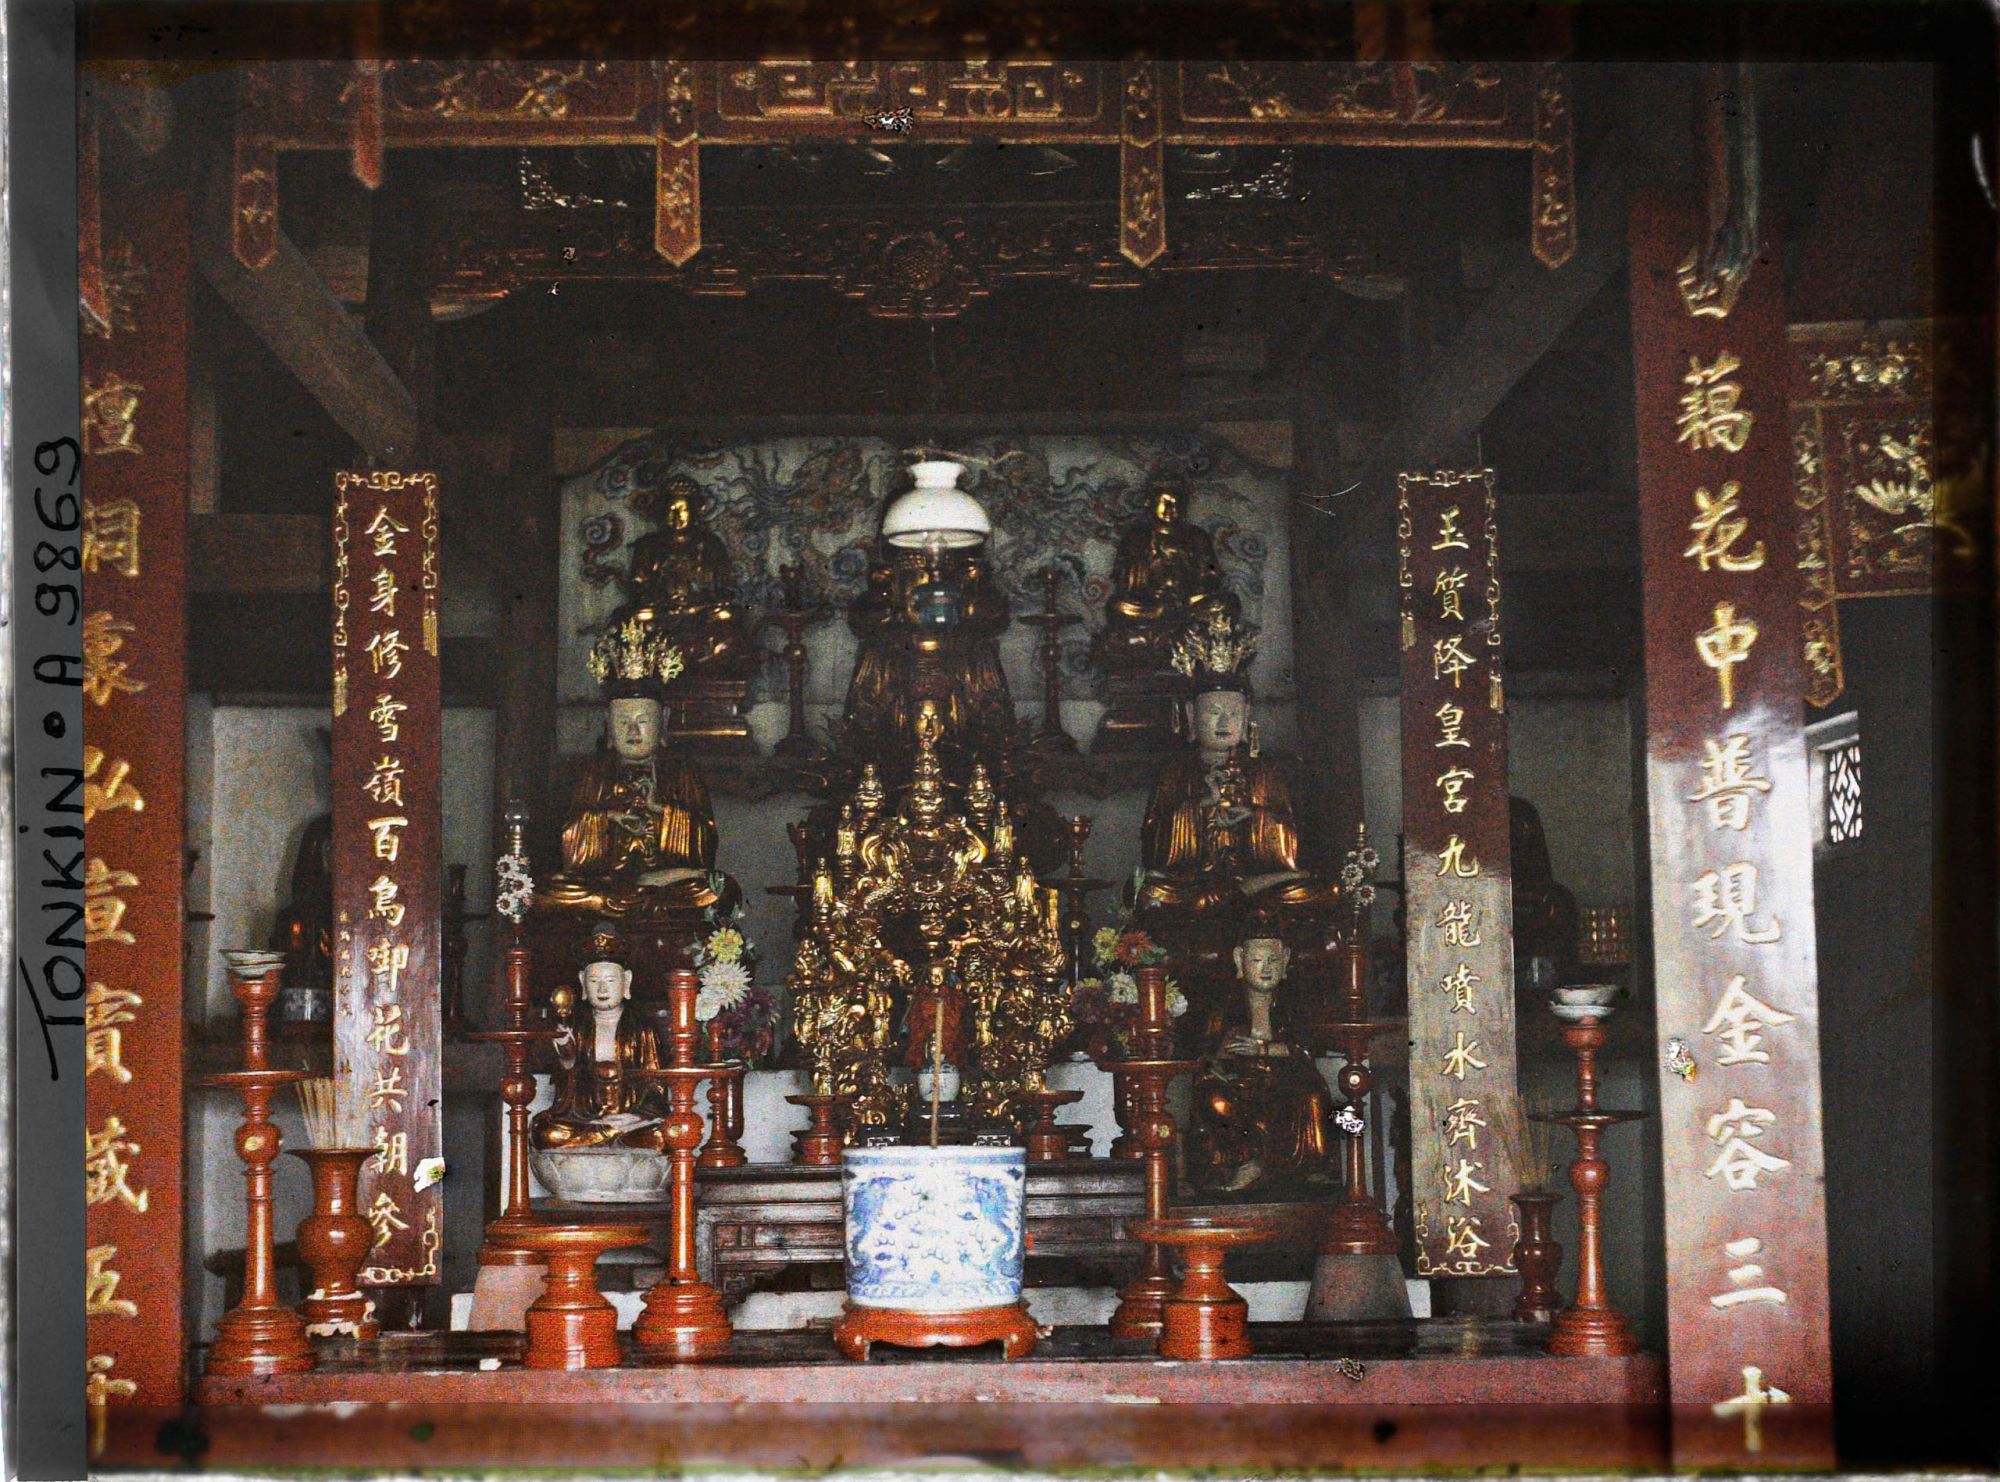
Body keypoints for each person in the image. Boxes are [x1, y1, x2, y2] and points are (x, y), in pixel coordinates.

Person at [1188, 922, 1337, 1194]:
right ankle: (1245, 1163)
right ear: (1239, 960)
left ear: (1285, 961)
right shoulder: (1224, 1004)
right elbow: (1208, 1049)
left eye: (1273, 960)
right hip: (1237, 1078)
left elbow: (1306, 1047)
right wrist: (1216, 1062)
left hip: (1286, 1076)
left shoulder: (1294, 1002)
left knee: (1313, 1094)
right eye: (1256, 960)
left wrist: (1264, 1050)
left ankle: (1311, 1167)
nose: (1265, 968)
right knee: (1213, 1098)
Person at [530, 930, 670, 1150]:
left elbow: (656, 1084)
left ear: (627, 981)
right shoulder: (575, 1026)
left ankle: (610, 1136)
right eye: (594, 981)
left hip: (631, 1124)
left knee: (662, 1136)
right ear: (582, 983)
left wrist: (637, 1117)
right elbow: (565, 1084)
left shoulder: (642, 1028)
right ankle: (607, 1137)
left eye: (611, 980)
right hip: (585, 1119)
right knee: (544, 1131)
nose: (603, 989)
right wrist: (566, 1056)